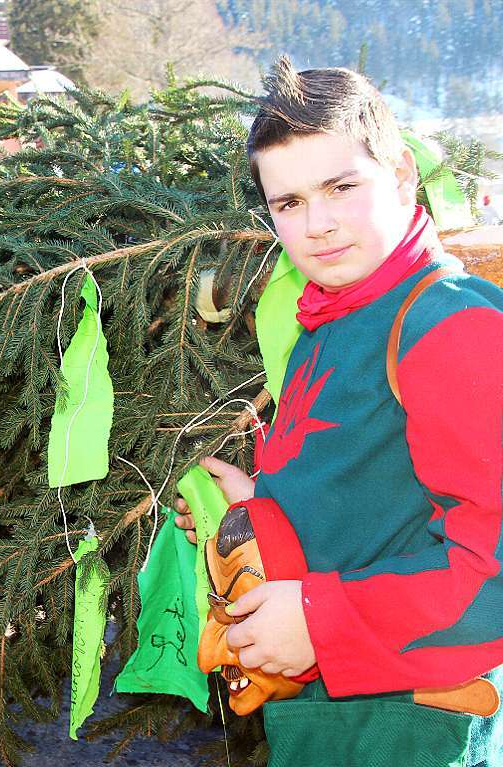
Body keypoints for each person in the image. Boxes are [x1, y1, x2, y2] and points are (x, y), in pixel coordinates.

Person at [176, 58, 503, 765]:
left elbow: (493, 568)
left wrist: (322, 625)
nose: (316, 225)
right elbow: (372, 497)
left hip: (414, 728)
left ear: (404, 175)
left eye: (341, 187)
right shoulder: (327, 324)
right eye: (287, 203)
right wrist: (261, 507)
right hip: (330, 720)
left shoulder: (451, 325)